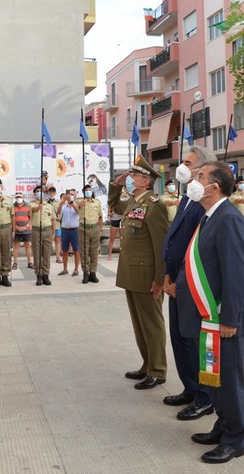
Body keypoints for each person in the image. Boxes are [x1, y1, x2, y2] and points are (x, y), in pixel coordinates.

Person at [175, 161, 244, 464]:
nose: (194, 180)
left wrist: (230, 320)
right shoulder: (210, 216)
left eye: (200, 176)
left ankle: (235, 439)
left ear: (214, 186)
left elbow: (235, 273)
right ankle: (223, 425)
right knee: (215, 377)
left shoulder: (229, 218)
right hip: (208, 317)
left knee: (229, 380)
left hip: (223, 318)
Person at [161, 146, 216, 421]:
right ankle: (190, 388)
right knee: (180, 341)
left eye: (188, 163)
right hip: (175, 282)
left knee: (195, 343)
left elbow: (196, 248)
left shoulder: (203, 202)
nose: (182, 167)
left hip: (190, 284)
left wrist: (179, 281)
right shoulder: (186, 198)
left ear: (203, 171)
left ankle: (204, 398)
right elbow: (174, 238)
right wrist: (167, 275)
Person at [109, 156, 169, 390]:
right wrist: (117, 184)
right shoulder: (134, 203)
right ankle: (147, 365)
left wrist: (159, 279)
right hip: (131, 275)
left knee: (152, 324)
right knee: (139, 324)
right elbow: (115, 205)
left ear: (145, 181)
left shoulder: (155, 206)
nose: (130, 179)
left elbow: (161, 245)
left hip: (147, 278)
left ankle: (158, 370)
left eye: (133, 176)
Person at [78, 184, 104, 283]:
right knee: (84, 252)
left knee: (94, 252)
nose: (88, 191)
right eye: (86, 190)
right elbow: (76, 207)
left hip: (95, 228)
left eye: (90, 189)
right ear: (83, 192)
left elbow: (100, 217)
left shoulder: (97, 202)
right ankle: (85, 273)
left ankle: (93, 273)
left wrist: (100, 229)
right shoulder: (80, 201)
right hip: (83, 229)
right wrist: (81, 204)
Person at [30, 185, 55, 286]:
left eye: (41, 191)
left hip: (47, 230)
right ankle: (38, 275)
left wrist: (53, 232)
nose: (39, 192)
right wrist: (38, 206)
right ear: (35, 193)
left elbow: (53, 219)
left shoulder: (49, 206)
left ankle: (46, 275)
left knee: (46, 254)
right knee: (37, 253)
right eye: (37, 191)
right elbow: (34, 210)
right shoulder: (32, 204)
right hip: (36, 231)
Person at [58, 189, 81, 276]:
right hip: (65, 230)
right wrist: (62, 202)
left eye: (72, 194)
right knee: (64, 250)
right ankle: (65, 269)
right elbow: (58, 213)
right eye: (69, 194)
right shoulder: (64, 206)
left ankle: (76, 269)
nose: (70, 196)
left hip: (74, 230)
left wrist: (71, 202)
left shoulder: (77, 205)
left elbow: (78, 211)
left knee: (76, 250)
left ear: (75, 196)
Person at [12, 192, 33, 270]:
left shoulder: (28, 206)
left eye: (20, 196)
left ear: (23, 197)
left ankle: (30, 262)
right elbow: (11, 218)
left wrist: (26, 226)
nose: (18, 198)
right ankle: (15, 263)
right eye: (17, 197)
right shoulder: (12, 206)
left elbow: (31, 218)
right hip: (16, 230)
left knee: (27, 245)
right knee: (16, 245)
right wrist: (16, 227)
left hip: (26, 230)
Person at [48, 187, 63, 263]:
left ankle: (58, 257)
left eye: (53, 192)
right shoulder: (45, 202)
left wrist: (60, 217)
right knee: (46, 241)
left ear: (55, 193)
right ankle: (45, 258)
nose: (51, 193)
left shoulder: (58, 202)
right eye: (50, 192)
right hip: (47, 224)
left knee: (57, 241)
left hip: (56, 224)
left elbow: (61, 212)